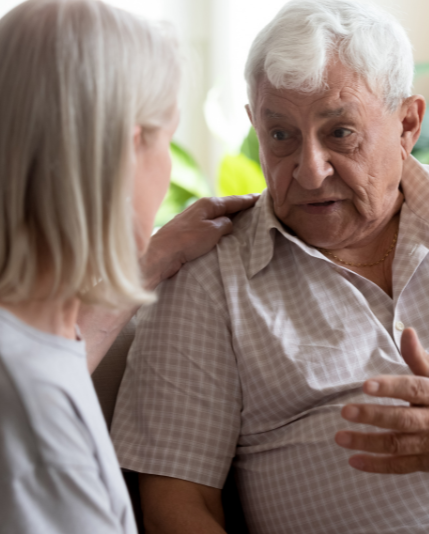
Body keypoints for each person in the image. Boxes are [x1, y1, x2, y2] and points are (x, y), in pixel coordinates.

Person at [110, 0, 429, 532]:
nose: (309, 173)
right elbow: (177, 504)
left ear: (407, 123)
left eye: (340, 133)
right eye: (281, 135)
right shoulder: (209, 275)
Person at [0, 1, 256, 532]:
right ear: (128, 147)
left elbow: (53, 357)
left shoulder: (26, 342)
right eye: (168, 138)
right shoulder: (37, 430)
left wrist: (150, 261)